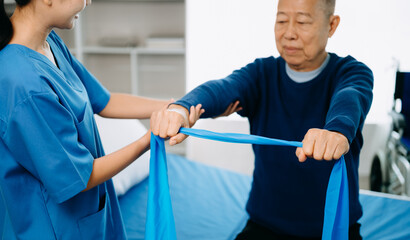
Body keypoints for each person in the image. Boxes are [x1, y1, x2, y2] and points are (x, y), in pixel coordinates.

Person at [0, 0, 203, 239]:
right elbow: (81, 176)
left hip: (86, 218)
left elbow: (105, 102)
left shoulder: (48, 44)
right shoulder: (22, 83)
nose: (89, 1)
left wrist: (176, 106)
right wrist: (152, 137)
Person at [151, 0, 373, 239]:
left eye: (302, 22)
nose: (289, 33)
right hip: (265, 226)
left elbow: (350, 99)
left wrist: (337, 131)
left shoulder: (351, 73)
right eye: (281, 21)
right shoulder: (261, 74)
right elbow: (225, 88)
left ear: (331, 25)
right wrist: (181, 109)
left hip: (334, 227)